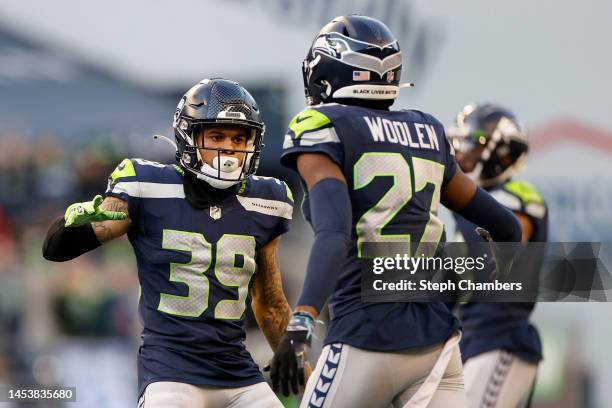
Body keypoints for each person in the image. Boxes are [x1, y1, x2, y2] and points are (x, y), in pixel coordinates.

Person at [268, 15, 522, 408]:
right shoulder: (428, 131)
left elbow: (335, 236)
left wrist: (301, 321)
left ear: (327, 74)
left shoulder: (322, 125)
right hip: (438, 344)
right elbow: (505, 227)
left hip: (366, 337)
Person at [43, 78, 294, 408]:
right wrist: (71, 225)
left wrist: (295, 357)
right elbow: (55, 250)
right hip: (171, 372)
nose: (229, 149)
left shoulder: (267, 200)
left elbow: (270, 301)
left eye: (239, 137)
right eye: (217, 136)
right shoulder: (147, 187)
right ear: (189, 136)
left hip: (238, 372)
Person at [448, 103, 547, 408]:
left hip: (502, 336)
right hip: (471, 337)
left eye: (474, 143)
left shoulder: (520, 196)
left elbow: (500, 253)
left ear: (503, 152)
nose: (463, 152)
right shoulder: (467, 205)